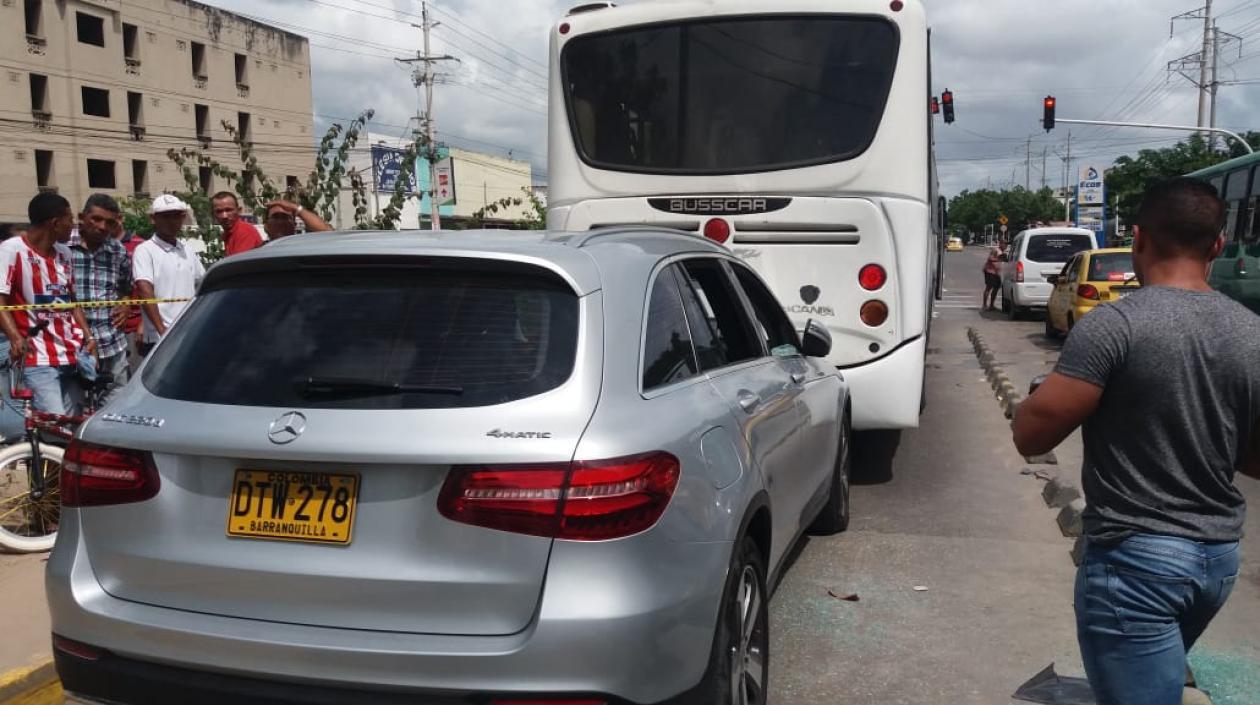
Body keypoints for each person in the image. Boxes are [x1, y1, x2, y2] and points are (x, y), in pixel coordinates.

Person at [1013, 178, 1260, 705]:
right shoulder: (1251, 332)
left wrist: (1037, 401)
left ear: (1139, 238)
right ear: (1217, 245)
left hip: (1137, 565)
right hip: (1216, 563)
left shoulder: (1115, 325)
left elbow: (1033, 434)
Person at [0, 193, 97, 416]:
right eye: (69, 219)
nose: (73, 226)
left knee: (73, 425)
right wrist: (15, 338)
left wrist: (88, 336)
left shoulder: (64, 254)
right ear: (54, 224)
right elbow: (1, 297)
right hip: (37, 357)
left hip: (73, 355)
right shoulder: (12, 250)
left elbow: (72, 301)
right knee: (53, 423)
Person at [71, 194, 133, 400]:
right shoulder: (62, 249)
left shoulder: (118, 251)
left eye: (110, 222)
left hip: (112, 342)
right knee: (76, 410)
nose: (102, 227)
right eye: (96, 219)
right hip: (74, 346)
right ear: (82, 217)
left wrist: (125, 305)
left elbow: (126, 287)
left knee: (115, 405)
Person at [132, 195, 205, 354]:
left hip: (188, 331)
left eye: (176, 216)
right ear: (153, 219)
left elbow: (202, 282)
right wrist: (161, 330)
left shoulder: (187, 249)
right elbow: (145, 290)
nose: (172, 221)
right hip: (161, 337)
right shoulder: (145, 250)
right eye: (165, 216)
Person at [211, 191, 263, 256]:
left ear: (239, 211)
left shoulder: (244, 232)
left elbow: (238, 264)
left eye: (228, 210)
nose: (224, 216)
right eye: (219, 211)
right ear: (213, 215)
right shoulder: (229, 233)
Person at [262, 200, 332, 241]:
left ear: (294, 225)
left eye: (285, 218)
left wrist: (296, 208)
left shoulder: (302, 248)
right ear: (266, 226)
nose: (280, 222)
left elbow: (328, 233)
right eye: (276, 217)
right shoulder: (258, 253)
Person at [982, 244, 1004, 310]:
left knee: (997, 287)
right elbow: (990, 258)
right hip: (990, 271)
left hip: (996, 273)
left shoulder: (1001, 251)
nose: (1006, 246)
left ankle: (991, 305)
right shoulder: (996, 250)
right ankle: (984, 305)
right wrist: (998, 259)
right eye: (1004, 244)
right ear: (1001, 243)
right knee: (989, 287)